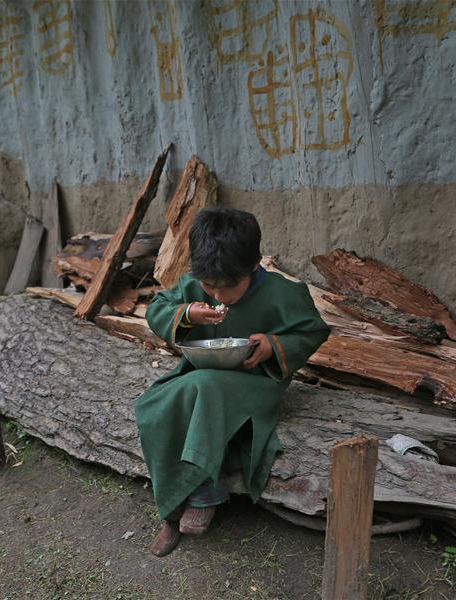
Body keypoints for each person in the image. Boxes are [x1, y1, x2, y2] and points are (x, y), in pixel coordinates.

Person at [135, 207, 330, 557]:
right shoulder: (197, 286)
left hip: (255, 384)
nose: (218, 295)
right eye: (210, 286)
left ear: (254, 266)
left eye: (228, 287)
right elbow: (156, 308)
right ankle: (171, 503)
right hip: (201, 377)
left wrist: (274, 345)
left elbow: (313, 330)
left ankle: (203, 491)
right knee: (150, 406)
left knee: (206, 388)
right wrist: (188, 313)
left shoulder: (284, 293)